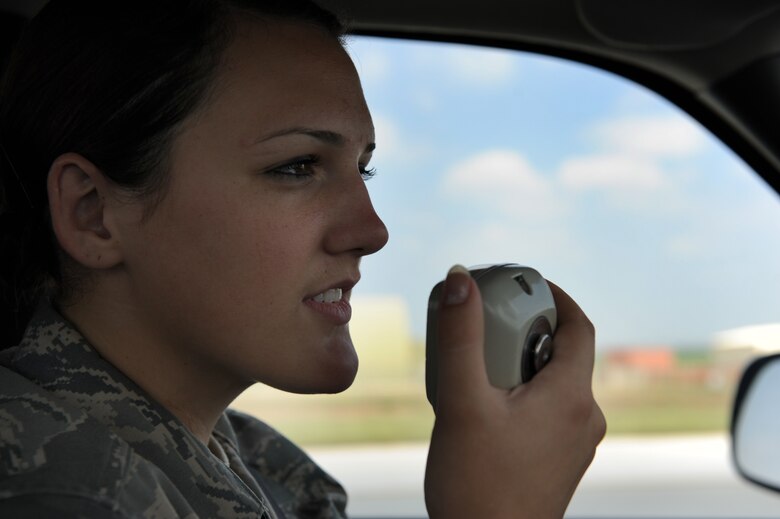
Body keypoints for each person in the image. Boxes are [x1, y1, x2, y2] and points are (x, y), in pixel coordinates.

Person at [0, 0, 606, 517]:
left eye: (363, 168)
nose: (372, 231)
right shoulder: (57, 489)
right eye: (297, 167)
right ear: (92, 213)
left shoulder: (258, 461)